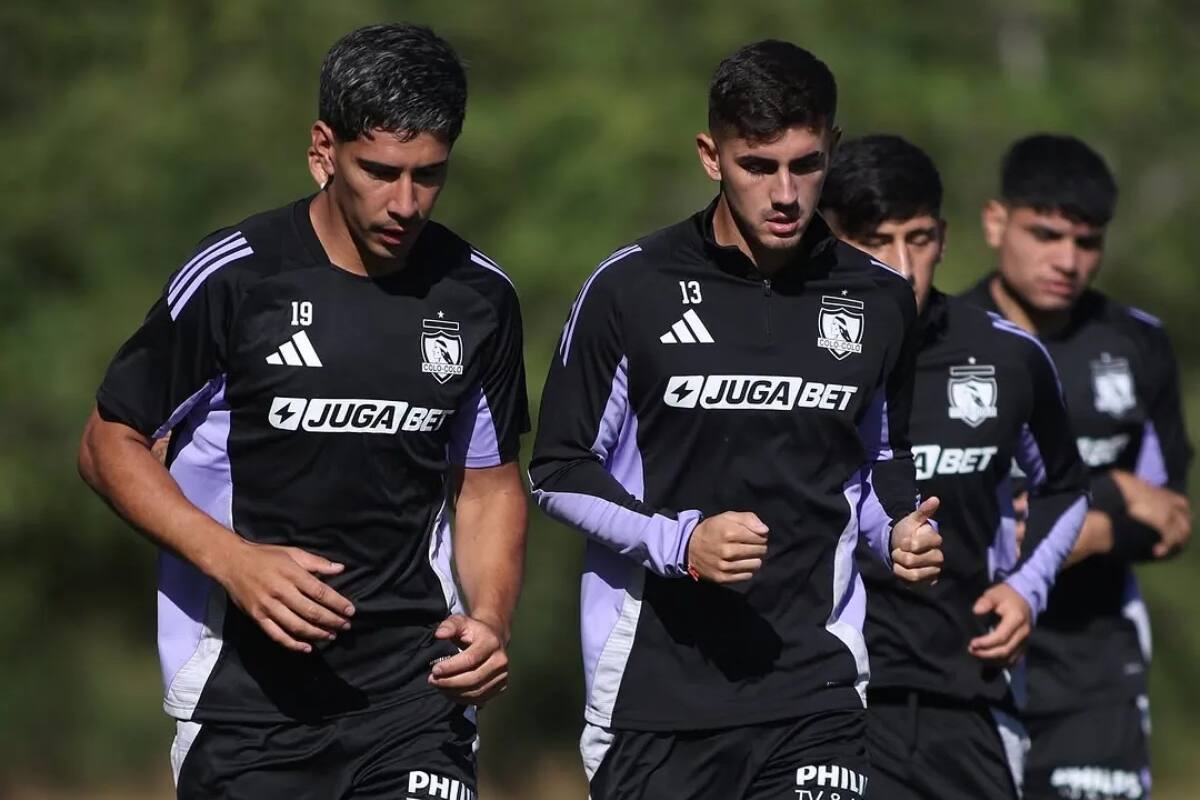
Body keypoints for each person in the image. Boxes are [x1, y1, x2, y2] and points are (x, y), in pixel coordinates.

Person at [77, 23, 528, 799]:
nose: (405, 203)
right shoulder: (235, 281)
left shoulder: (478, 296)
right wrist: (233, 561)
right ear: (324, 150)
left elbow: (487, 485)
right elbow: (107, 444)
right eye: (380, 172)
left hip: (414, 698)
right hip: (246, 708)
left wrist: (489, 617)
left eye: (428, 176)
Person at [529, 41, 943, 800]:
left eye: (806, 164)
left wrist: (899, 534)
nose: (784, 193)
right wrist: (681, 542)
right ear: (710, 156)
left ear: (834, 151)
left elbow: (881, 461)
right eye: (758, 166)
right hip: (655, 700)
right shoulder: (631, 289)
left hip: (815, 691)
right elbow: (557, 470)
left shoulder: (880, 298)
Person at [820, 134, 1089, 800]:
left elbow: (1066, 485)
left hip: (968, 698)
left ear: (944, 236)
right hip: (829, 703)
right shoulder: (794, 357)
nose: (901, 266)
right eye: (876, 240)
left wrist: (1028, 588)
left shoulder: (1008, 357)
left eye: (918, 238)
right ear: (831, 236)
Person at [961, 133, 1193, 800]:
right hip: (972, 662)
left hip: (1096, 676)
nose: (1067, 259)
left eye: (1087, 242)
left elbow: (1171, 518)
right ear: (995, 221)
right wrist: (1110, 491)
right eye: (1047, 234)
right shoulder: (942, 339)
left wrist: (1065, 526)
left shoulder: (1137, 342)